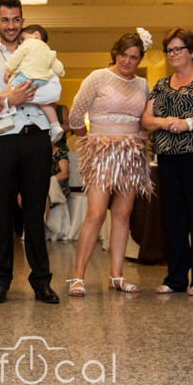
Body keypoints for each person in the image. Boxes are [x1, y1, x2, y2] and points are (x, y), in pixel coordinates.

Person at [0, 0, 60, 305]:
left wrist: (9, 95)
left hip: (37, 139)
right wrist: (12, 99)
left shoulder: (41, 51)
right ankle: (0, 280)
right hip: (3, 141)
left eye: (16, 19)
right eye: (5, 20)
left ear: (23, 21)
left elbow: (55, 90)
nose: (11, 26)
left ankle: (41, 281)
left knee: (35, 212)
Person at [66, 30, 154, 297]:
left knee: (123, 214)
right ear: (116, 53)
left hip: (131, 153)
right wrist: (91, 143)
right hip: (102, 152)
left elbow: (145, 120)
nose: (128, 61)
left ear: (140, 59)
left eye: (134, 57)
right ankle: (78, 277)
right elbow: (76, 115)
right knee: (95, 213)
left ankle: (116, 276)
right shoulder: (99, 77)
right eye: (124, 55)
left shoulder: (142, 85)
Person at [141, 27, 193, 296]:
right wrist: (164, 122)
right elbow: (146, 120)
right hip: (169, 159)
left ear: (191, 51)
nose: (172, 54)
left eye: (178, 49)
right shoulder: (161, 85)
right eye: (168, 50)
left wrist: (188, 123)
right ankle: (175, 278)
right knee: (174, 219)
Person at [0, 24, 66, 143]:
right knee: (45, 104)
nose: (21, 43)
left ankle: (5, 119)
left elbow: (17, 55)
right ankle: (55, 125)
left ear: (35, 35)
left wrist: (9, 68)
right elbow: (59, 68)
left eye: (22, 38)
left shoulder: (29, 44)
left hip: (27, 75)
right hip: (42, 80)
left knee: (11, 89)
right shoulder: (49, 51)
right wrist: (61, 72)